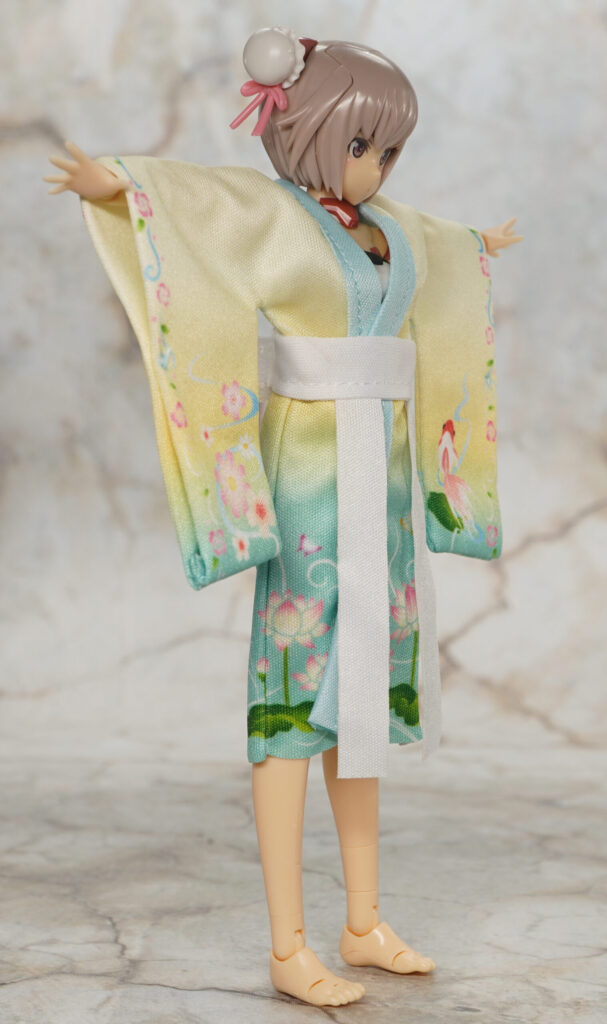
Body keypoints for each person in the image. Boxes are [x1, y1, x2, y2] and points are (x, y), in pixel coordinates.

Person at [44, 29, 521, 1008]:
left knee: (364, 699)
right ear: (305, 133)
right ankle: (287, 942)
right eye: (363, 144)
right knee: (295, 699)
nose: (378, 166)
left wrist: (476, 248)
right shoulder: (270, 214)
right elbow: (195, 203)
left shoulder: (388, 227)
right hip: (310, 472)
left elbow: (436, 246)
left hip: (383, 485)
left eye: (390, 149)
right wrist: (120, 186)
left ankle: (362, 919)